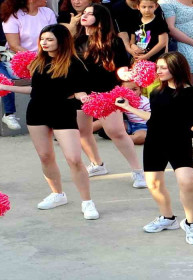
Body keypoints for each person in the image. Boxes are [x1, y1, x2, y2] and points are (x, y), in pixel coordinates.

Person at [0, 24, 100, 220]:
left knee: (74, 159)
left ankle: (87, 202)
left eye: (49, 39)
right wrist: (5, 86)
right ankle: (57, 194)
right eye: (42, 39)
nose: (44, 42)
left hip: (63, 111)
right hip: (37, 111)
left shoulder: (75, 64)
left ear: (62, 41)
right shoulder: (38, 62)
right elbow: (35, 90)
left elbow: (80, 90)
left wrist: (83, 97)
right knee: (45, 156)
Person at [115, 52, 193, 245]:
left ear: (177, 68)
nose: (159, 71)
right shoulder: (157, 92)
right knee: (154, 184)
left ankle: (192, 223)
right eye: (158, 67)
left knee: (187, 181)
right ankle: (167, 218)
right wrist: (128, 107)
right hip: (155, 142)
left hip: (179, 143)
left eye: (163, 67)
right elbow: (154, 118)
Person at [75, 4, 147, 188]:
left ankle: (138, 172)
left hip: (107, 92)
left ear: (100, 18)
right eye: (84, 13)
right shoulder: (75, 40)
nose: (85, 16)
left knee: (116, 132)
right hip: (81, 93)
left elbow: (122, 69)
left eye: (90, 14)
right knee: (83, 131)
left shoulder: (113, 42)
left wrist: (128, 79)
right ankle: (97, 164)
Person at [120, 80, 149, 145]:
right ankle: (92, 131)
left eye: (134, 89)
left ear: (140, 90)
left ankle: (121, 139)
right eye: (127, 90)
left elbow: (150, 117)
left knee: (142, 137)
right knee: (111, 124)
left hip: (143, 126)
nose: (131, 93)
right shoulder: (123, 100)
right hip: (129, 124)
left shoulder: (145, 102)